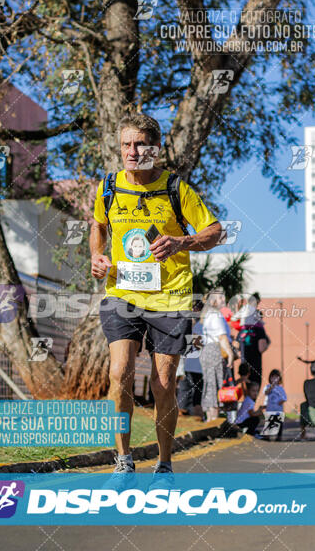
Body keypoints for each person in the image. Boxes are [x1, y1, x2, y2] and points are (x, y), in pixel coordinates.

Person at [90, 113, 222, 488]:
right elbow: (98, 225)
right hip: (122, 293)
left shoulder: (177, 189)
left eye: (140, 145)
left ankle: (164, 464)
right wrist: (97, 257)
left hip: (170, 297)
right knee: (120, 374)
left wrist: (182, 241)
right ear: (120, 148)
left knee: (164, 384)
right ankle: (123, 460)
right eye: (126, 145)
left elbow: (215, 230)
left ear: (154, 149)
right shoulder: (108, 188)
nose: (133, 152)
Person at [200, 292, 234, 422]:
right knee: (217, 384)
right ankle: (214, 419)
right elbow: (222, 337)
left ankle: (210, 418)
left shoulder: (209, 314)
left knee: (210, 384)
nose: (223, 299)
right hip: (215, 351)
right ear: (213, 301)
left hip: (207, 351)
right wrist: (230, 353)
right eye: (220, 297)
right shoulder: (216, 315)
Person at [177, 303, 204, 420]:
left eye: (196, 308)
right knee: (185, 387)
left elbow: (196, 346)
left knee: (195, 390)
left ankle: (194, 413)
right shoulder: (192, 324)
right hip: (189, 363)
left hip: (196, 364)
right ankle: (182, 410)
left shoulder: (199, 325)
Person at [263, 369, 287, 441]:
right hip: (270, 409)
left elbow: (284, 398)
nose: (274, 379)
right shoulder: (268, 386)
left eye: (276, 377)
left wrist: (280, 402)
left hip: (278, 409)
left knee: (279, 423)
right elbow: (266, 393)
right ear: (270, 378)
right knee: (269, 423)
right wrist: (271, 387)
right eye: (272, 377)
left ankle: (279, 437)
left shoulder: (281, 388)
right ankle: (267, 436)